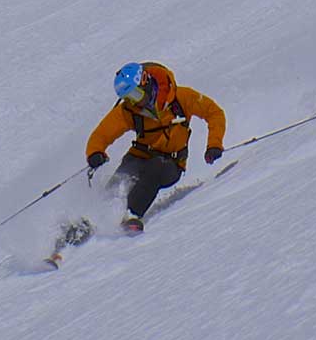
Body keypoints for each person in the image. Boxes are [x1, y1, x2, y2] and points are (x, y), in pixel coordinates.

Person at [85, 61, 226, 233]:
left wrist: (214, 144)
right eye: (129, 98)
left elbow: (214, 113)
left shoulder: (181, 98)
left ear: (146, 82)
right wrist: (95, 152)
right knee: (121, 181)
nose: (135, 102)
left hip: (171, 164)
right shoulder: (130, 110)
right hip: (139, 157)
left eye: (136, 95)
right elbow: (102, 133)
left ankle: (132, 214)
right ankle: (89, 222)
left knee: (155, 168)